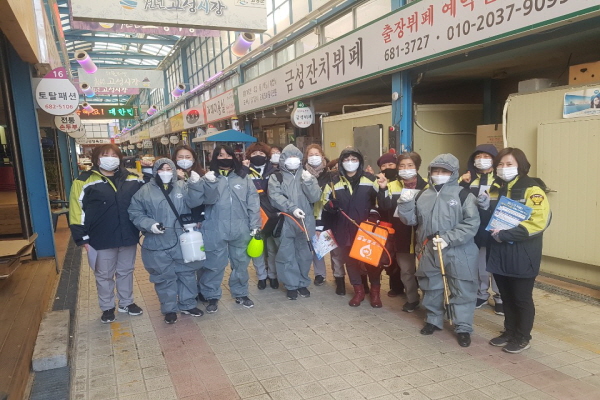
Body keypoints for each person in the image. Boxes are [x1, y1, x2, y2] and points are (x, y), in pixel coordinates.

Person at [396, 154, 479, 347]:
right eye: (436, 170)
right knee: (431, 285)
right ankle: (433, 319)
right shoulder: (422, 195)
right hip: (429, 249)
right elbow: (411, 221)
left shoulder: (464, 195)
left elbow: (472, 223)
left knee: (461, 288)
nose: (439, 174)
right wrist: (405, 204)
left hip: (459, 250)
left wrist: (448, 238)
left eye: (444, 171)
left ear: (453, 173)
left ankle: (463, 327)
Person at [484, 148, 551, 354]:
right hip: (499, 252)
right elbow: (490, 218)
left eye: (509, 164)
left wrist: (507, 234)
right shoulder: (495, 188)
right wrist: (483, 208)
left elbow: (539, 222)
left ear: (520, 166)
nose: (503, 168)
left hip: (523, 253)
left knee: (521, 298)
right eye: (500, 164)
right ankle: (510, 331)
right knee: (506, 295)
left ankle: (523, 337)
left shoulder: (532, 190)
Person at [69, 144, 145, 323]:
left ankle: (126, 303)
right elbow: (76, 210)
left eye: (114, 155)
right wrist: (82, 238)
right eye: (105, 155)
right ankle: (107, 307)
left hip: (127, 234)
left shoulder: (132, 179)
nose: (110, 158)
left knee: (126, 271)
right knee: (104, 275)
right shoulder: (84, 181)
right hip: (100, 237)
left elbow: (147, 197)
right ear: (97, 159)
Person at [128, 158, 204, 324]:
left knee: (187, 274)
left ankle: (188, 304)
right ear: (155, 171)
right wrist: (150, 224)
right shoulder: (145, 191)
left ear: (174, 171)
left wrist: (196, 185)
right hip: (157, 242)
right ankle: (169, 309)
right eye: (161, 169)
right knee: (164, 277)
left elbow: (195, 202)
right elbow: (135, 212)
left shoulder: (182, 186)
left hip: (182, 239)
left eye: (169, 169)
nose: (165, 172)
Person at [190, 145, 261, 313]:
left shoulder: (243, 178)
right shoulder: (209, 178)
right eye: (220, 155)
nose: (225, 158)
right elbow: (198, 202)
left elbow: (253, 203)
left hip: (241, 228)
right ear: (214, 158)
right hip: (214, 228)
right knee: (214, 265)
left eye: (228, 155)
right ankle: (211, 296)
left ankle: (241, 293)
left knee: (241, 264)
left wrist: (255, 226)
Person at [320, 148, 380, 306]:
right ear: (341, 162)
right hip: (344, 229)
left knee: (371, 262)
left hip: (366, 230)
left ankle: (375, 293)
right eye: (346, 159)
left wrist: (374, 215)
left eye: (354, 159)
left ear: (360, 162)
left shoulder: (370, 179)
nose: (350, 163)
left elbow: (379, 202)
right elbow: (323, 203)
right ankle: (358, 292)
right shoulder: (333, 182)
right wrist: (330, 206)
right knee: (351, 262)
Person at [268, 144, 322, 300]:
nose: (293, 160)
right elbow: (275, 197)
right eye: (289, 157)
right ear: (283, 159)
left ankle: (302, 283)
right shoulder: (276, 177)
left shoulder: (307, 176)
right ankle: (291, 285)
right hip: (285, 221)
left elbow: (315, 197)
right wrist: (292, 208)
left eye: (296, 157)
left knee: (304, 255)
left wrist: (309, 182)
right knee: (286, 255)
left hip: (306, 221)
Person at [377, 152, 428, 311]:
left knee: (427, 271)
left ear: (417, 167)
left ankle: (430, 302)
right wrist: (383, 188)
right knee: (406, 271)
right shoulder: (392, 185)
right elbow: (384, 207)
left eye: (410, 165)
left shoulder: (427, 186)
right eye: (402, 166)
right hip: (401, 235)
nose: (406, 169)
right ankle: (412, 298)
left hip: (423, 236)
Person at [460, 144, 503, 315]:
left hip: (497, 227)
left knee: (498, 263)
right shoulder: (468, 179)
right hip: (476, 228)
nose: (481, 160)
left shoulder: (500, 179)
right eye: (478, 156)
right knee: (480, 264)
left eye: (486, 156)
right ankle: (481, 293)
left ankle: (500, 297)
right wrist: (463, 183)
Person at [243, 142, 279, 290]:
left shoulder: (274, 172)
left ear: (267, 156)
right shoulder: (245, 172)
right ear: (249, 156)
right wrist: (243, 170)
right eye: (254, 153)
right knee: (257, 247)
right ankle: (261, 276)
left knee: (271, 248)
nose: (258, 156)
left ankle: (273, 275)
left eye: (261, 153)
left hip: (271, 214)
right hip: (253, 215)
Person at [304, 144, 334, 286]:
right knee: (306, 247)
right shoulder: (302, 173)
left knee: (319, 246)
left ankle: (320, 274)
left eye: (317, 154)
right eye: (311, 155)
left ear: (322, 156)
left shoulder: (329, 175)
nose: (314, 157)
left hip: (325, 214)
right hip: (305, 214)